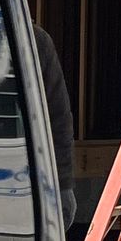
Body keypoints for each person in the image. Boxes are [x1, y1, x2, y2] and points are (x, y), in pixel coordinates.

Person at [30, 24, 77, 230]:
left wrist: (63, 184)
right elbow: (58, 119)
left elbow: (57, 119)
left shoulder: (34, 39)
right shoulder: (33, 38)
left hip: (23, 178)